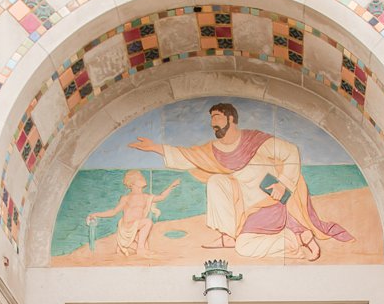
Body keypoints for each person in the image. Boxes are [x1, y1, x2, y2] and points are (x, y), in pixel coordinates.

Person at [127, 102, 354, 260]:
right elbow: (186, 156)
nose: (213, 123)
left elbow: (291, 152)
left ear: (231, 118)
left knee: (247, 247)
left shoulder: (254, 140)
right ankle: (229, 235)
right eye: (212, 119)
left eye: (216, 117)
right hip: (244, 203)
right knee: (216, 181)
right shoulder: (214, 150)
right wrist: (155, 147)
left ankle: (296, 234)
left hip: (271, 199)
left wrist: (283, 182)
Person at [86, 171, 180, 257]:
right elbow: (114, 211)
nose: (143, 178)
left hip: (138, 226)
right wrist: (96, 214)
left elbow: (161, 197)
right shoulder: (126, 198)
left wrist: (171, 186)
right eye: (139, 178)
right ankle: (140, 249)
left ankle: (135, 247)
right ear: (132, 183)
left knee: (143, 237)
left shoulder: (146, 197)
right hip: (127, 226)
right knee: (148, 222)